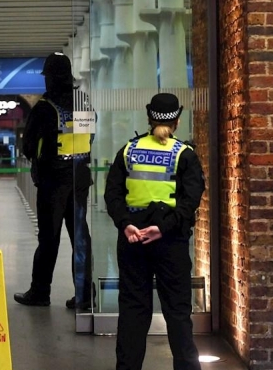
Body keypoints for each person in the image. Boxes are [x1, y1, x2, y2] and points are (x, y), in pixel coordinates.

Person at [103, 93, 205, 370]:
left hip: (133, 239)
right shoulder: (185, 155)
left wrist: (126, 224)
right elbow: (190, 201)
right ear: (177, 120)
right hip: (169, 242)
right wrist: (163, 228)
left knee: (134, 311)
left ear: (149, 117)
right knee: (178, 313)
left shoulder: (127, 151)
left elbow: (112, 195)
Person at [13, 51, 94, 310]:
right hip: (79, 178)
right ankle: (84, 294)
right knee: (80, 237)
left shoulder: (44, 108)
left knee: (49, 238)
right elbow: (90, 137)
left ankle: (40, 291)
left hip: (52, 182)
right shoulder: (83, 102)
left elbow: (28, 145)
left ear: (50, 78)